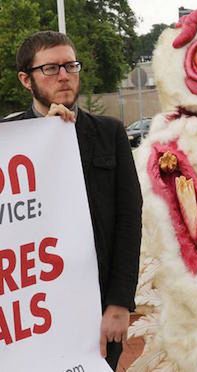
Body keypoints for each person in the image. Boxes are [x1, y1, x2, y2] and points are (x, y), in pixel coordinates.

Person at [2, 31, 142, 370]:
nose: (64, 75)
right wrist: (42, 143)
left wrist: (119, 304)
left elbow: (129, 220)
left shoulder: (109, 133)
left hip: (95, 309)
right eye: (51, 68)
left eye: (71, 65)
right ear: (26, 79)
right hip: (32, 312)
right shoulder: (9, 141)